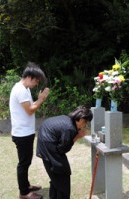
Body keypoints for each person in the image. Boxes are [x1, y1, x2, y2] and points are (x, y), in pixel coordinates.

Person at [10, 62, 50, 199]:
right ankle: (24, 193)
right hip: (22, 134)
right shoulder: (20, 90)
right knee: (24, 163)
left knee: (26, 162)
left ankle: (26, 186)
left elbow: (30, 107)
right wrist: (41, 99)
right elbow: (30, 110)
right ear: (29, 77)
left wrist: (38, 100)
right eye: (37, 81)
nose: (36, 84)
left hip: (25, 132)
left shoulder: (24, 88)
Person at [36, 106, 93, 199]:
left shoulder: (67, 119)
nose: (85, 125)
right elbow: (62, 149)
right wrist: (77, 137)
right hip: (49, 146)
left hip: (44, 141)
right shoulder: (70, 128)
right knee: (63, 176)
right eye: (86, 122)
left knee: (55, 176)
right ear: (81, 120)